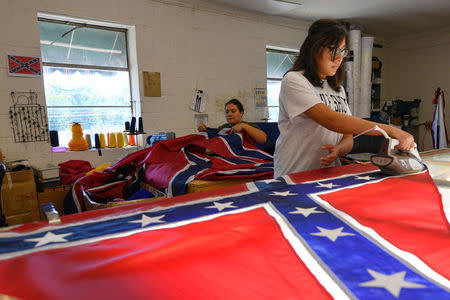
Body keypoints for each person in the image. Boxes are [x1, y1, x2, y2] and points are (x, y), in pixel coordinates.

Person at [273, 19, 415, 178]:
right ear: (314, 48)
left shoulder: (337, 88)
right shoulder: (294, 80)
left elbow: (347, 134)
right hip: (294, 173)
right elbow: (332, 120)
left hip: (326, 174)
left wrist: (338, 150)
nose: (340, 58)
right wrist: (390, 130)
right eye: (334, 50)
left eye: (343, 51)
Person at [197, 98, 267, 144]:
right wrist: (204, 129)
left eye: (233, 111)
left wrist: (243, 126)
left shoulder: (248, 125)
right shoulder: (224, 127)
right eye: (227, 112)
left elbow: (263, 139)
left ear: (241, 113)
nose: (229, 114)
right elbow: (215, 136)